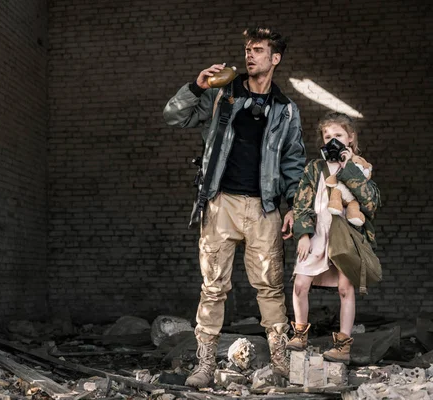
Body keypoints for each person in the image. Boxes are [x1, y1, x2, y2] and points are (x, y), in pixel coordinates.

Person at [163, 27, 306, 387]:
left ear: (275, 59)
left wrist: (293, 207)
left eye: (258, 50)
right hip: (221, 202)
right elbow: (174, 116)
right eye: (247, 49)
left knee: (270, 287)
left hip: (265, 207)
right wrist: (197, 86)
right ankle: (205, 365)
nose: (250, 55)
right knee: (213, 287)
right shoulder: (222, 95)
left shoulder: (286, 111)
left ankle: (279, 363)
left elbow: (293, 161)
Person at [286, 112, 381, 364]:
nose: (332, 140)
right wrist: (303, 234)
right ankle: (300, 334)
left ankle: (343, 345)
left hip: (346, 235)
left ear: (350, 138)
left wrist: (348, 167)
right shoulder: (314, 167)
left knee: (344, 288)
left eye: (338, 135)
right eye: (327, 136)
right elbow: (301, 204)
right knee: (300, 284)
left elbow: (370, 203)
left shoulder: (360, 166)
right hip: (318, 233)